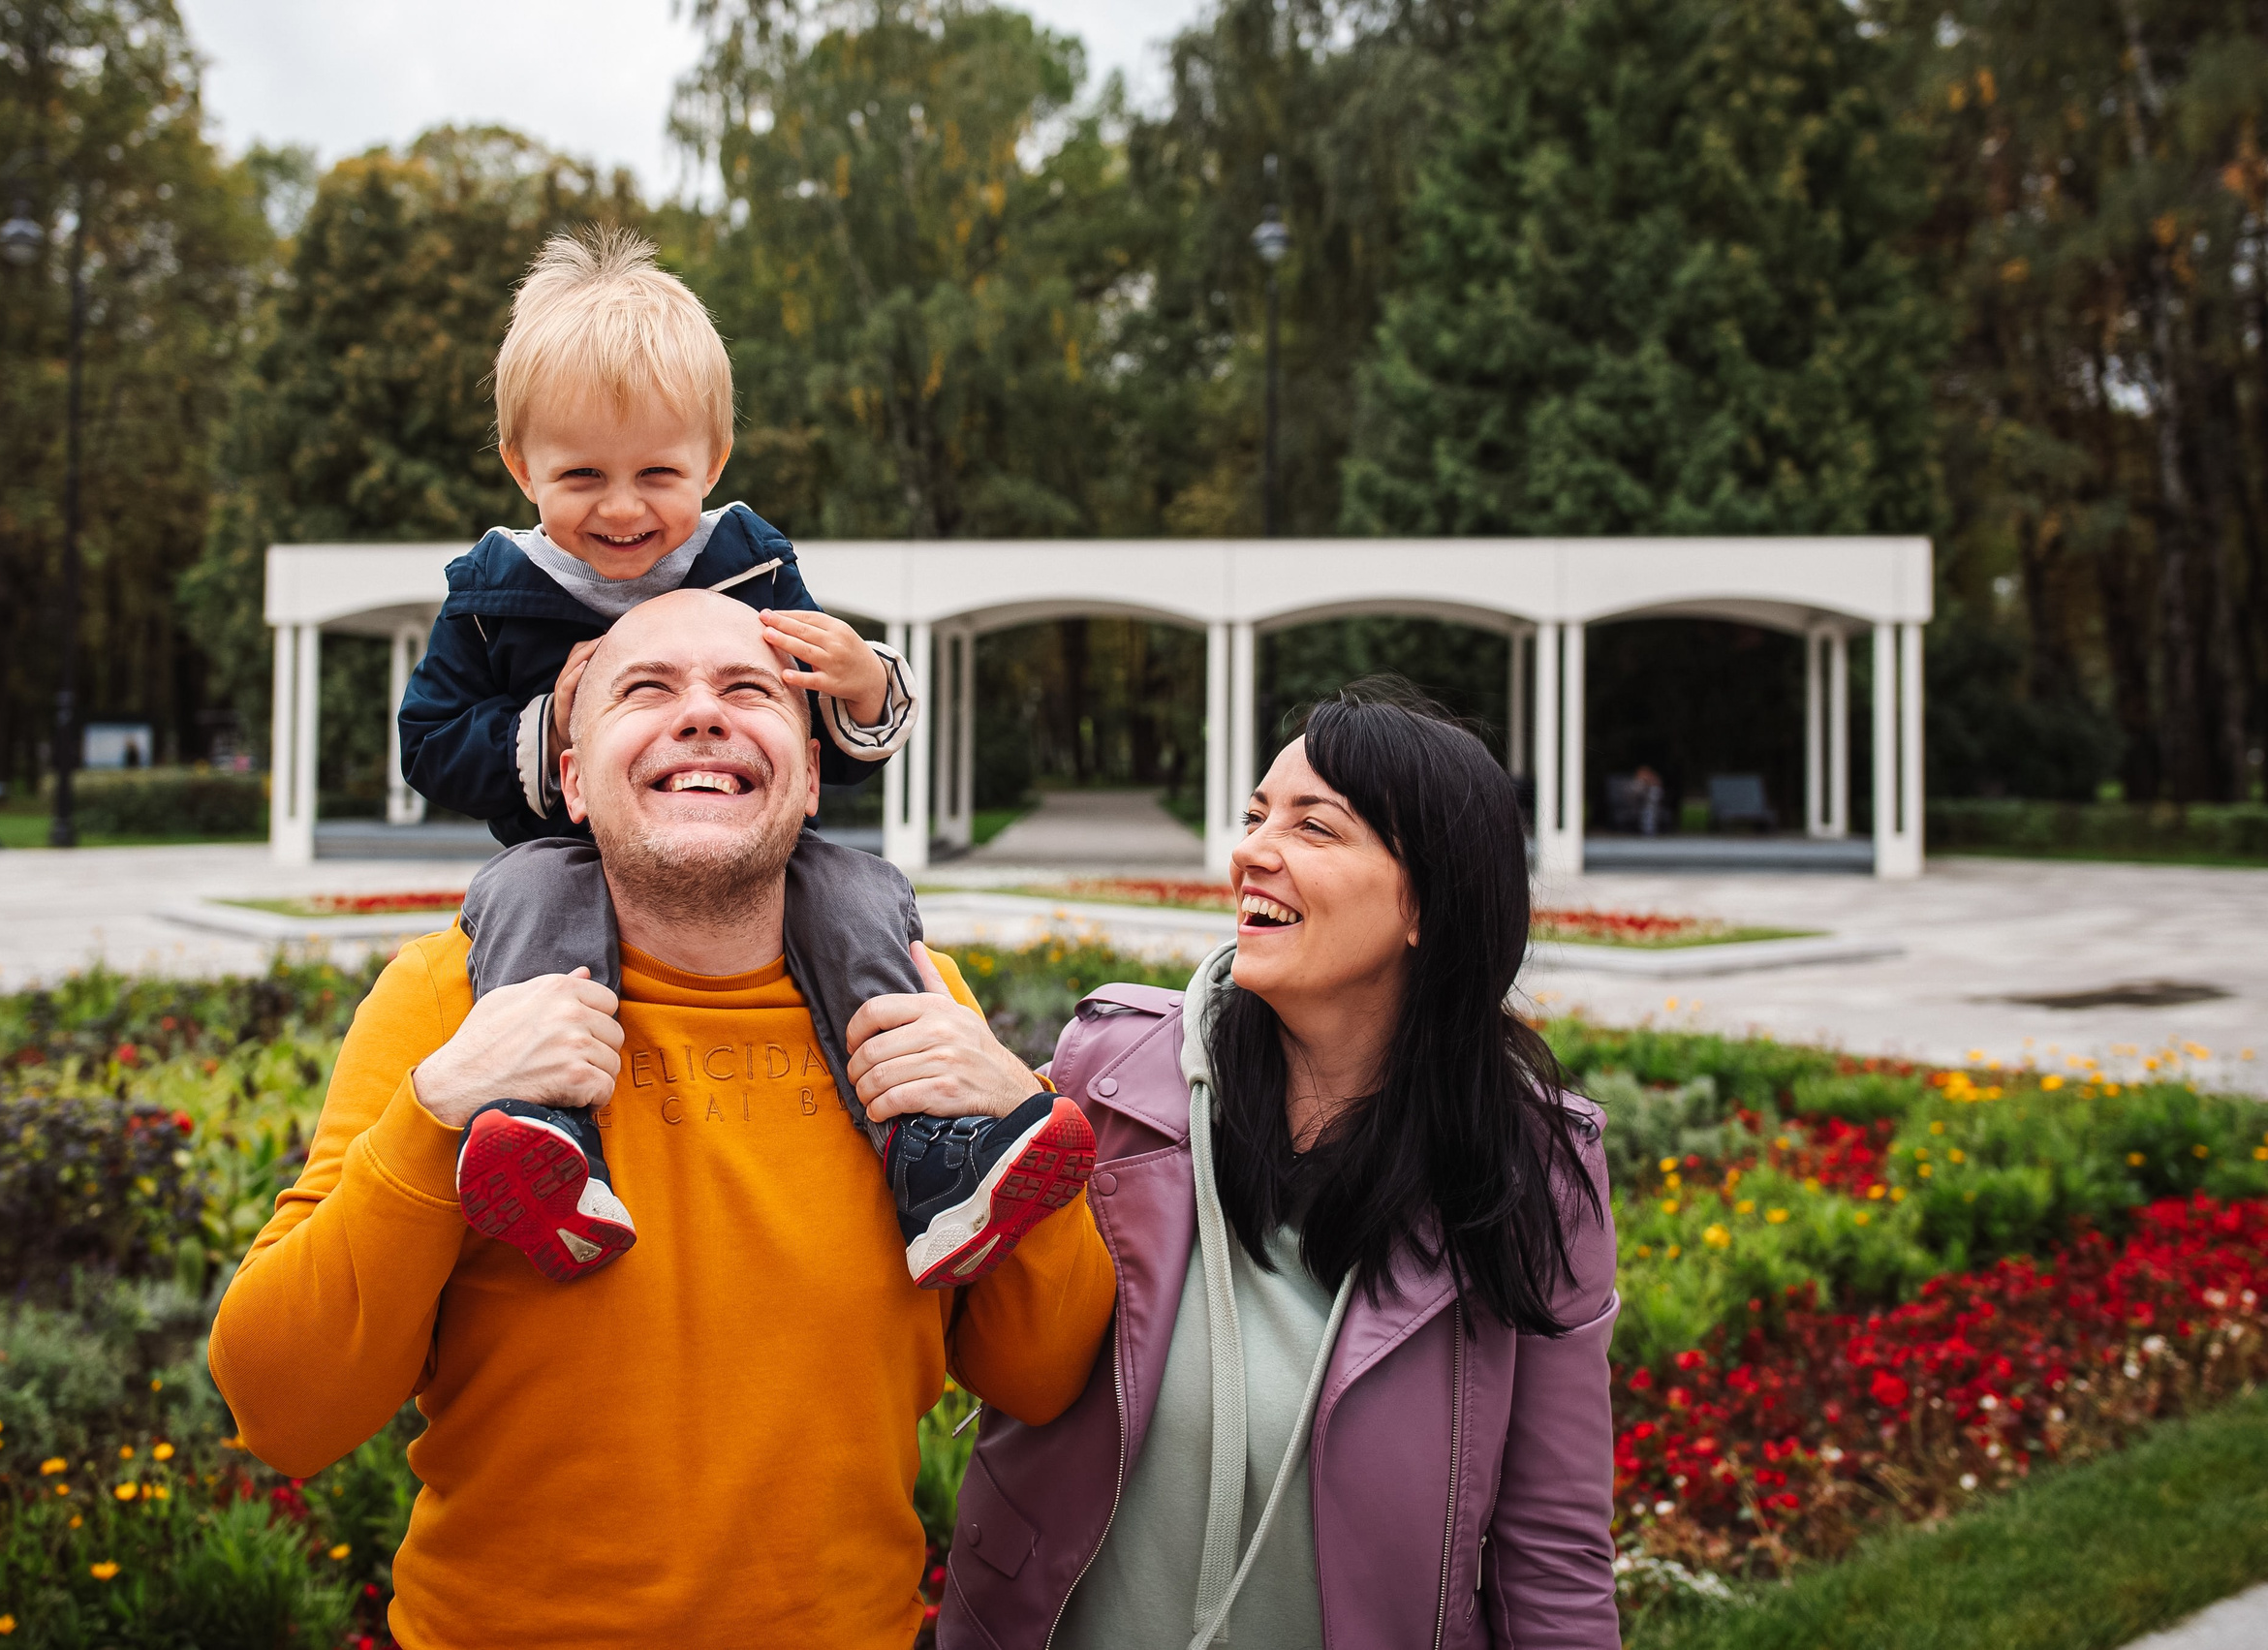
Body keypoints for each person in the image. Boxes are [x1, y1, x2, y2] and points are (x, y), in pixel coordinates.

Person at [209, 590, 1118, 1650]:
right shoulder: (449, 1001)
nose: (701, 715)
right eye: (645, 690)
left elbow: (1041, 1373)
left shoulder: (915, 999)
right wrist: (430, 1115)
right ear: (573, 779)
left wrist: (1008, 1107)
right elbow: (280, 1410)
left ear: (813, 773)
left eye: (750, 690)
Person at [394, 227, 1087, 1288]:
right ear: (518, 466)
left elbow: (823, 751)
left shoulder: (750, 564)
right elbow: (430, 740)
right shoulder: (493, 594)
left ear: (711, 463)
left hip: (764, 862)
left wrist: (862, 686)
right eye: (581, 474)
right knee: (525, 896)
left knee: (859, 895)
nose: (622, 508)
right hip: (566, 849)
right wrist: (551, 718)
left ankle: (935, 1154)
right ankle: (545, 1139)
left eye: (657, 473)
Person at [939, 683, 1622, 1650]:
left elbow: (1551, 1552)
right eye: (1258, 815)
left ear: (1426, 899)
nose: (1251, 850)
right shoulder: (1110, 1074)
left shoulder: (1534, 1171)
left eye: (1315, 825)